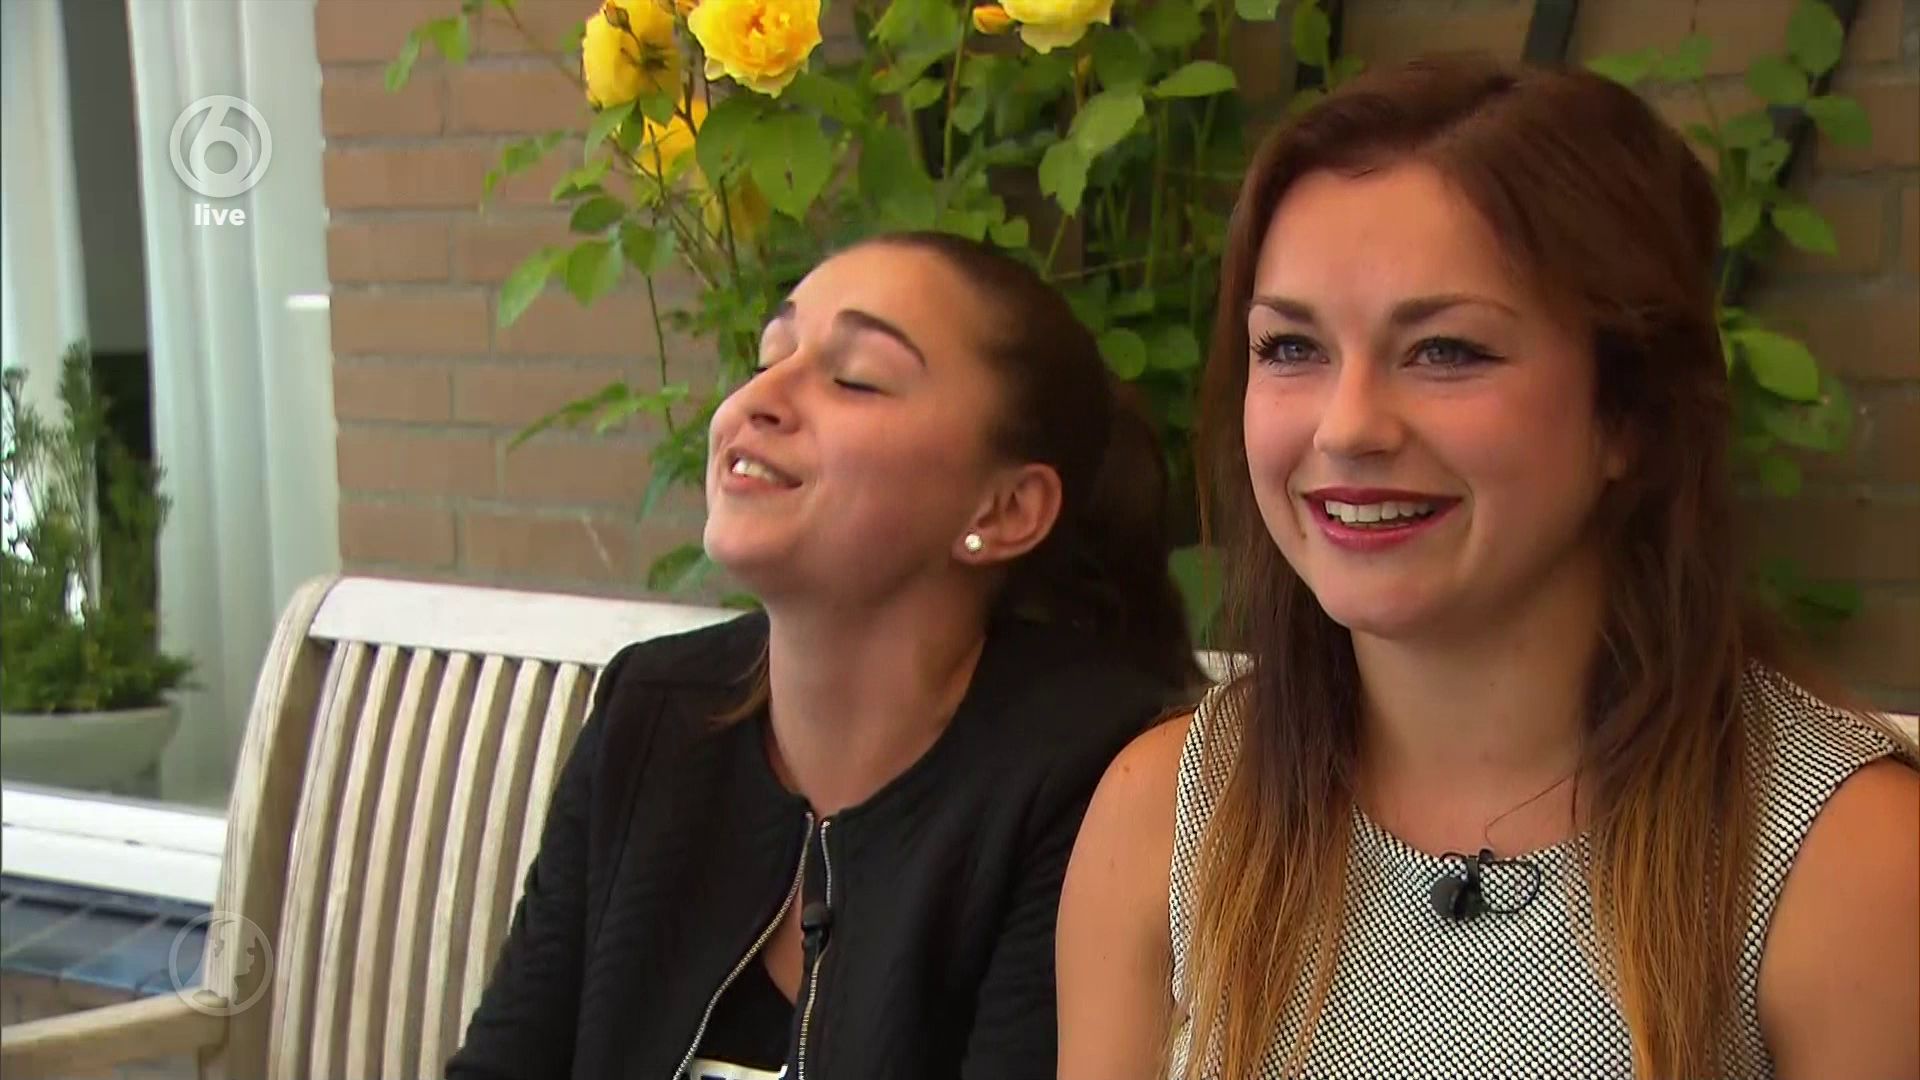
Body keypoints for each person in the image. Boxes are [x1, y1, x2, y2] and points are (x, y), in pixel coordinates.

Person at [1057, 55, 1919, 1080]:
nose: (1347, 426)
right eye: (1290, 348)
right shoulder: (1168, 810)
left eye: (1446, 351)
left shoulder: (1842, 857)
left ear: (1632, 413)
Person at [446, 230, 1199, 1080]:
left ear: (1006, 508)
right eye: (769, 357)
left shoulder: (1092, 780)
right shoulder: (654, 712)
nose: (759, 399)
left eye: (856, 378)